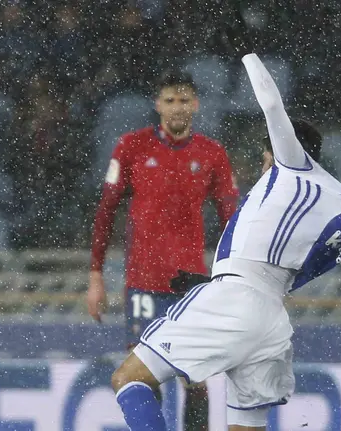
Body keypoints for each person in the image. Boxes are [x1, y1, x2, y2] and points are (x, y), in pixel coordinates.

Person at [110, 53, 341, 431]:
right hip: (271, 318)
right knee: (246, 425)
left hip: (233, 300)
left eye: (266, 158)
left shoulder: (282, 176)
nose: (263, 167)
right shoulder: (328, 199)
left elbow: (272, 104)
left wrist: (246, 53)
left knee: (128, 379)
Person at [88, 70, 238, 429]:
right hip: (142, 281)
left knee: (196, 377)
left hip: (190, 285)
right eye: (169, 100)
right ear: (157, 105)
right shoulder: (131, 147)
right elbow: (106, 212)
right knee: (141, 375)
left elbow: (234, 222)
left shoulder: (212, 154)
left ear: (196, 104)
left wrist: (235, 277)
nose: (177, 108)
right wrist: (95, 275)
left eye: (184, 100)